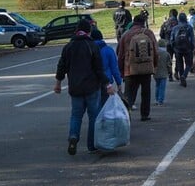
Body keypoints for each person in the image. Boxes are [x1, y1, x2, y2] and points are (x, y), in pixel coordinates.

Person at [54, 19, 114, 155]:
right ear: (89, 31)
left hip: (75, 87)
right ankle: (91, 145)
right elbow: (99, 69)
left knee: (76, 115)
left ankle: (73, 136)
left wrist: (58, 83)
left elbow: (61, 66)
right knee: (93, 116)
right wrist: (108, 84)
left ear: (76, 30)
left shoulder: (69, 46)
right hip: (92, 87)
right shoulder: (92, 46)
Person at [116, 14, 158, 121]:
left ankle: (126, 115)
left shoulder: (126, 35)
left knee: (129, 94)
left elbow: (120, 55)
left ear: (133, 22)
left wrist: (121, 71)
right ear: (143, 22)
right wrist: (154, 65)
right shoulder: (148, 33)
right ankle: (145, 114)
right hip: (146, 68)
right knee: (146, 93)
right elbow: (155, 51)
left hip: (130, 69)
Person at [91, 28, 123, 108]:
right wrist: (119, 82)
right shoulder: (108, 50)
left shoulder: (89, 49)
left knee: (94, 105)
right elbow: (114, 68)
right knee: (105, 104)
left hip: (92, 80)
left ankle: (95, 119)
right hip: (106, 80)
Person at [170, 12, 195, 87]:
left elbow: (172, 39)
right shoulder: (189, 27)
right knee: (189, 64)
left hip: (177, 49)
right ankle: (184, 75)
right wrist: (192, 47)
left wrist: (173, 47)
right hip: (187, 48)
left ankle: (181, 79)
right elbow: (192, 39)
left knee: (180, 64)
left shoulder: (175, 28)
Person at [159, 8, 179, 81]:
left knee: (169, 60)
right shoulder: (178, 23)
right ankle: (176, 72)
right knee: (178, 59)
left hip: (167, 43)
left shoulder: (165, 23)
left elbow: (161, 34)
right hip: (177, 44)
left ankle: (170, 75)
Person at [153, 41, 172, 105]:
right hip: (164, 73)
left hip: (156, 72)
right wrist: (170, 72)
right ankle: (160, 100)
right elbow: (169, 64)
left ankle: (156, 99)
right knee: (162, 87)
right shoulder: (166, 54)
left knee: (157, 86)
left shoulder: (155, 53)